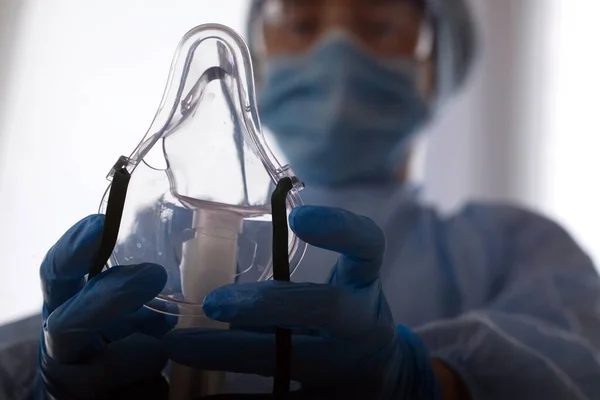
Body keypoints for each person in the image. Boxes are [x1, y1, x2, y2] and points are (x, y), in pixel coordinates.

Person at [1, 0, 600, 398]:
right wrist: (50, 376)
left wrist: (420, 381)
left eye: (379, 23)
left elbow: (578, 367)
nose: (336, 53)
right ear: (259, 58)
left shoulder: (510, 246)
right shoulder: (151, 242)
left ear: (438, 66)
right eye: (302, 21)